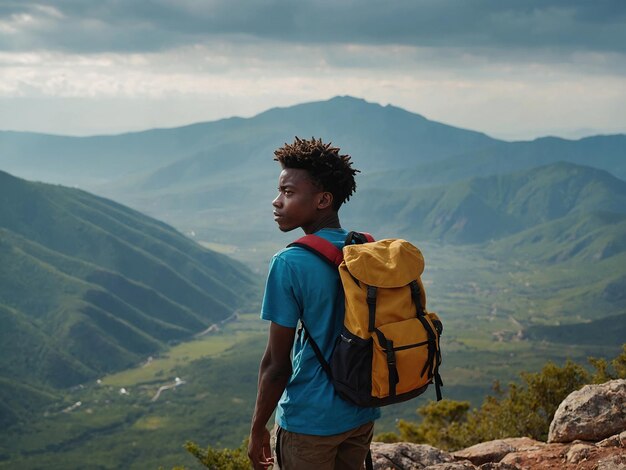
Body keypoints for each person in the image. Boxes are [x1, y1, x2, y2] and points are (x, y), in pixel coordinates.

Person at [248, 137, 380, 470]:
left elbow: (277, 366)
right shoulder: (366, 248)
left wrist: (257, 429)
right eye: (280, 191)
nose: (277, 202)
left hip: (309, 422)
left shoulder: (289, 263)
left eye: (289, 193)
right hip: (360, 411)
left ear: (323, 200)